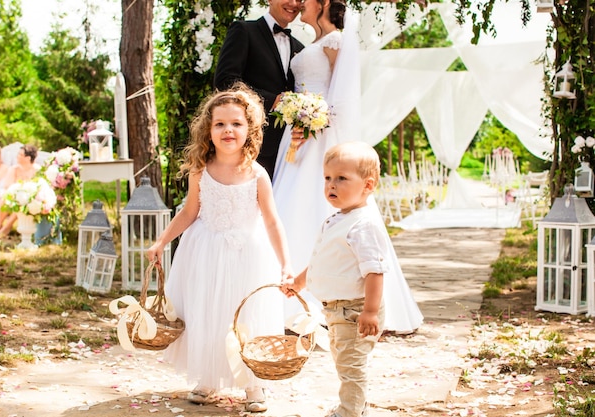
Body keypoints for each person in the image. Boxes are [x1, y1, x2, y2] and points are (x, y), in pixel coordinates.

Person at [272, 0, 423, 334]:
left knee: (319, 202)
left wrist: (315, 118)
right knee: (289, 208)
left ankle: (329, 298)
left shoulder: (336, 41)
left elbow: (342, 100)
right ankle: (285, 292)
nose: (299, 3)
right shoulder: (307, 43)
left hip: (321, 138)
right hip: (299, 138)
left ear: (323, 2)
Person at [146, 83, 292, 413]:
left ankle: (254, 384)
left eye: (237, 123)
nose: (228, 130)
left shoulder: (257, 174)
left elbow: (272, 221)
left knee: (248, 318)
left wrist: (286, 264)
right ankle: (208, 378)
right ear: (208, 130)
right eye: (220, 124)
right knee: (206, 314)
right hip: (206, 253)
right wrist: (161, 241)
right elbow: (188, 212)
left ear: (250, 129)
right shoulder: (201, 171)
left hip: (248, 256)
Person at [282, 142, 388, 417]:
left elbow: (375, 271)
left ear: (367, 185)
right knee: (345, 360)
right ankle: (356, 406)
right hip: (337, 309)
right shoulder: (338, 219)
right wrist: (299, 283)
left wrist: (371, 311)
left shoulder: (364, 224)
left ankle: (350, 412)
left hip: (356, 310)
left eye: (342, 178)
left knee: (351, 364)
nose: (332, 185)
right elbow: (321, 260)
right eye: (328, 178)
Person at [214, 0, 305, 178]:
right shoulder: (244, 31)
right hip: (250, 143)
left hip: (288, 148)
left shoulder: (300, 48)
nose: (293, 4)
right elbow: (226, 80)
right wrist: (272, 101)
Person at [0, 144, 41, 235]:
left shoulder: (37, 170)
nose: (17, 157)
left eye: (20, 155)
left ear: (28, 158)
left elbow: (39, 187)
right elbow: (7, 185)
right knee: (5, 200)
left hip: (30, 198)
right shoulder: (14, 169)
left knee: (22, 204)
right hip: (14, 195)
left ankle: (7, 227)